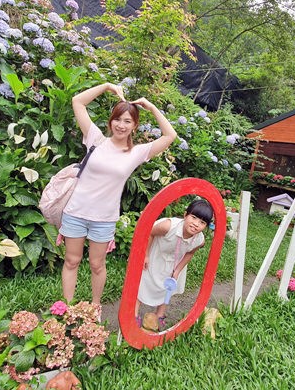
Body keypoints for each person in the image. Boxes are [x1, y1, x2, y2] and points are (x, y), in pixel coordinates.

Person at [60, 81, 177, 309]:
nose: (121, 125)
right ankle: (67, 309)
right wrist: (105, 86)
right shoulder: (95, 139)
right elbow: (78, 101)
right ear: (110, 121)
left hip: (104, 219)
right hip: (75, 212)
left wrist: (152, 108)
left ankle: (94, 308)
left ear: (134, 126)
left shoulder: (136, 153)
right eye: (117, 119)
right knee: (71, 261)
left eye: (127, 121)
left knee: (97, 265)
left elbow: (169, 135)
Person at [136, 199, 214, 330]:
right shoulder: (168, 226)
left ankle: (160, 314)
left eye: (202, 222)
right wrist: (146, 255)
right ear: (185, 215)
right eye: (193, 217)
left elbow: (190, 253)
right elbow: (149, 233)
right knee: (143, 282)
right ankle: (134, 313)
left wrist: (177, 270)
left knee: (168, 287)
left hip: (174, 261)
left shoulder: (199, 240)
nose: (196, 224)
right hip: (156, 254)